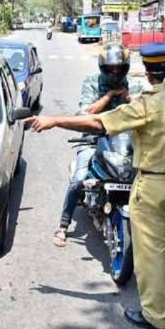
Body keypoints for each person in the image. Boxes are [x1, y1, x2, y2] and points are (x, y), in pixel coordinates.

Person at [30, 42, 165, 329]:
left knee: (151, 251)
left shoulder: (147, 104)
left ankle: (156, 315)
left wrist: (54, 120)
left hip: (153, 183)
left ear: (149, 73)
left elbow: (98, 123)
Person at [52, 43, 148, 247]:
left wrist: (128, 97)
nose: (115, 72)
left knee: (146, 178)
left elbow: (144, 111)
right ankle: (63, 225)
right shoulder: (92, 82)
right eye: (110, 68)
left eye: (119, 68)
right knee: (79, 179)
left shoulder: (134, 85)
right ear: (102, 67)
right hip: (94, 138)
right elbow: (85, 113)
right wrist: (109, 96)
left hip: (125, 143)